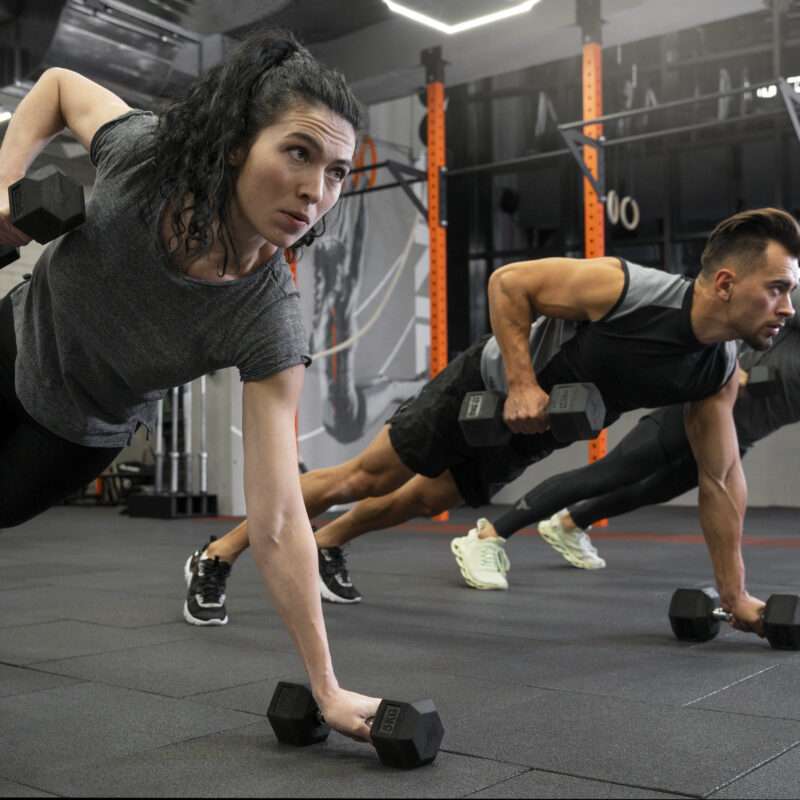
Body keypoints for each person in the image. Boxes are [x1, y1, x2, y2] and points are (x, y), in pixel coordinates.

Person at [0, 30, 382, 741]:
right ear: (237, 145)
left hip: (73, 432)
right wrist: (2, 181)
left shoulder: (267, 320)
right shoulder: (144, 157)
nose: (315, 191)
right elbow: (56, 86)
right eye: (298, 152)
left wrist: (326, 686)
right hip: (15, 334)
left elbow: (277, 518)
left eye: (336, 172)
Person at [184, 208, 799, 639]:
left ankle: (327, 544)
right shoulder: (628, 289)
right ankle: (217, 555)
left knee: (424, 500)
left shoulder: (717, 372)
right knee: (366, 477)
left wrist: (735, 595)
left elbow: (721, 481)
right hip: (483, 388)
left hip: (537, 430)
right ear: (726, 283)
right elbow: (510, 283)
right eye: (777, 289)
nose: (788, 308)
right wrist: (523, 383)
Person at [526, 305, 800, 571]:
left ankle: (568, 525)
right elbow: (744, 310)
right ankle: (500, 532)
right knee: (609, 473)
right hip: (701, 411)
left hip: (741, 437)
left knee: (652, 491)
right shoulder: (792, 307)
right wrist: (729, 361)